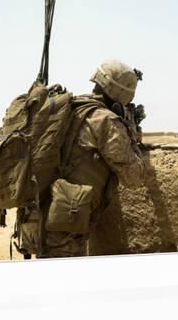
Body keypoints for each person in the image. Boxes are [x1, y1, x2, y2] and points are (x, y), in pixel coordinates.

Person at [39, 59, 146, 258]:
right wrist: (131, 134)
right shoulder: (105, 120)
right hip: (65, 228)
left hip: (40, 213)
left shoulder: (71, 107)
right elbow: (134, 178)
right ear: (122, 95)